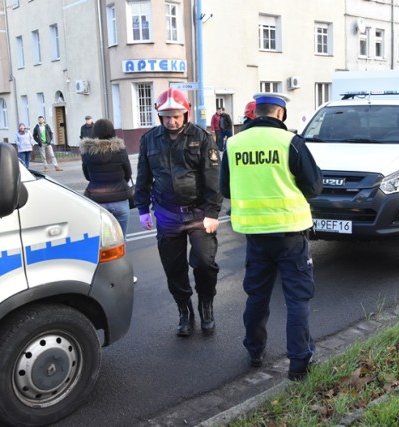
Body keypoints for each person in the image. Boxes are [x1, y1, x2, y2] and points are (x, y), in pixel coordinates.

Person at [220, 92, 323, 381]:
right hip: (291, 236)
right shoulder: (291, 142)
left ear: (255, 114)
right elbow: (315, 188)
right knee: (297, 299)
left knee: (257, 296)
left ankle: (254, 351)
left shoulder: (234, 144)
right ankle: (300, 364)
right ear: (281, 114)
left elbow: (226, 190)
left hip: (255, 237)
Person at [134, 88, 223, 337]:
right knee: (174, 269)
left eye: (177, 115)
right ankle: (185, 312)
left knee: (205, 264)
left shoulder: (202, 137)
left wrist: (213, 212)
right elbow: (143, 177)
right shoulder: (149, 140)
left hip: (198, 214)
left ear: (186, 113)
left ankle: (206, 306)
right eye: (166, 116)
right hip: (167, 215)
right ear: (159, 115)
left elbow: (213, 178)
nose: (172, 121)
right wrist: (142, 209)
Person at [80, 118, 133, 235]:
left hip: (97, 200)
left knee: (103, 242)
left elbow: (87, 176)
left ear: (94, 132)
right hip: (120, 200)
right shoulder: (120, 149)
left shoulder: (87, 151)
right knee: (120, 240)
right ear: (112, 131)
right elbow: (128, 174)